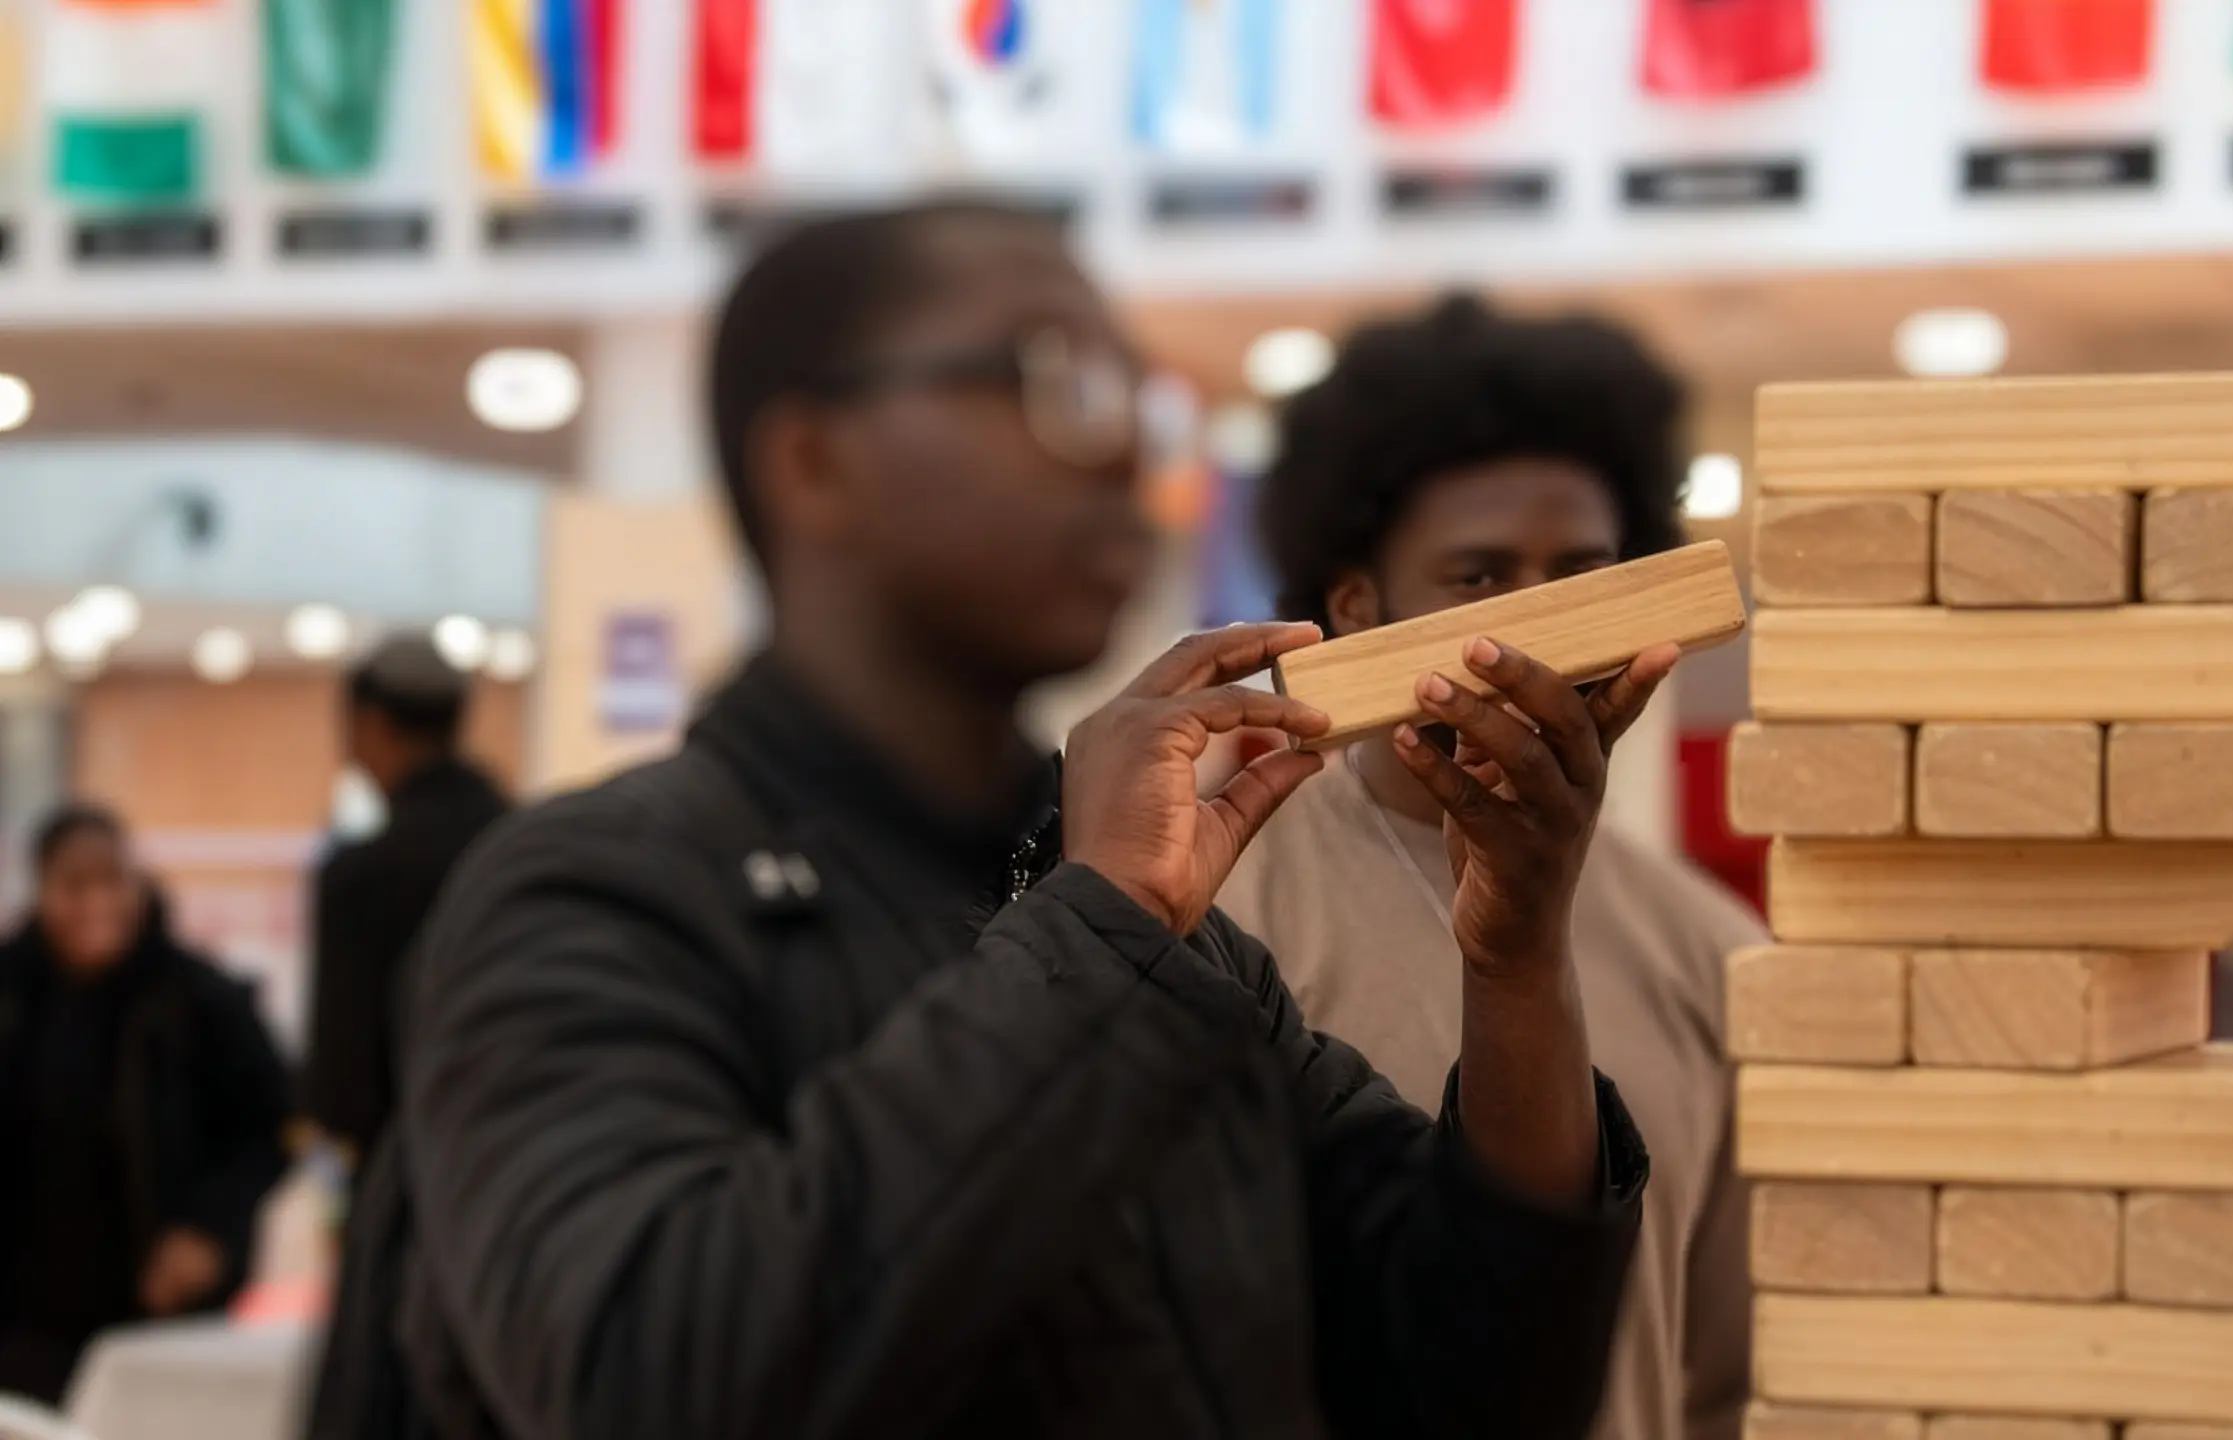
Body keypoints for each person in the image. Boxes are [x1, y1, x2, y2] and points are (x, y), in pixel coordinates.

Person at [310, 200, 1675, 1439]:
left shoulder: (1160, 944)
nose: (1124, 452)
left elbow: (1475, 1378)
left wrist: (1513, 961)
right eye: (1048, 382)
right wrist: (1109, 928)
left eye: (1133, 395)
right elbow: (651, 1378)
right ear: (813, 462)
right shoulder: (589, 900)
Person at [1218, 295, 1769, 1440]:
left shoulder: (1710, 950)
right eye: (1479, 577)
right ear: (1357, 607)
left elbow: (1726, 1372)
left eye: (1578, 574)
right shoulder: (1219, 914)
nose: (1533, 627)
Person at [0, 804, 292, 1404]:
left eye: (112, 880)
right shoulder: (13, 994)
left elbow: (272, 1127)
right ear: (42, 891)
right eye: (74, 886)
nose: (97, 904)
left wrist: (210, 1230)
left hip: (160, 1316)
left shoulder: (198, 1000)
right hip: (24, 1322)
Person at [301, 636, 509, 1158]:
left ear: (370, 724)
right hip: (515, 1168)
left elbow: (342, 1089)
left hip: (405, 1177)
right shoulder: (522, 846)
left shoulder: (361, 877)